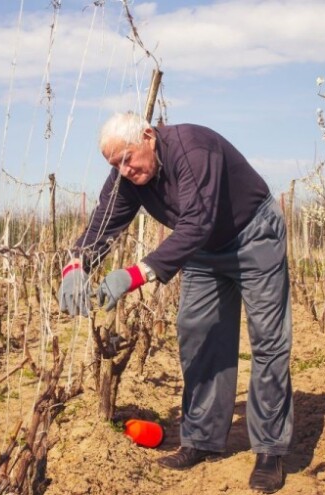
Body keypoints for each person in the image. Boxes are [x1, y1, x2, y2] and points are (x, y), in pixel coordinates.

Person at [58, 112, 293, 494]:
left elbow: (197, 222)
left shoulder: (194, 149)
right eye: (114, 164)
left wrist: (133, 275)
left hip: (253, 236)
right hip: (203, 251)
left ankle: (269, 449)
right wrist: (76, 265)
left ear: (149, 136)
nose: (124, 169)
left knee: (268, 340)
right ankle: (201, 439)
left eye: (128, 158)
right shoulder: (127, 176)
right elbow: (103, 222)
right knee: (197, 333)